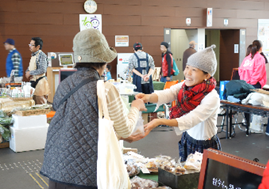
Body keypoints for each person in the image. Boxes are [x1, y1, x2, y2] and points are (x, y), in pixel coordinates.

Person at [40, 29, 146, 189]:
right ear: (104, 62)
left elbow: (80, 124)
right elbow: (126, 130)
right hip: (88, 175)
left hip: (56, 168)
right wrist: (135, 107)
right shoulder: (105, 88)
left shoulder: (65, 85)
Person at [137, 45, 221, 161]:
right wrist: (147, 97)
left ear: (207, 75)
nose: (187, 73)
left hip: (205, 146)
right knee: (184, 175)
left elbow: (191, 119)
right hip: (187, 138)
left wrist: (160, 121)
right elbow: (169, 93)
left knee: (201, 178)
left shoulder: (212, 97)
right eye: (187, 67)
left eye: (194, 70)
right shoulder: (185, 86)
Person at [25, 37, 50, 104]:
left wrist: (30, 73)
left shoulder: (42, 56)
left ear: (38, 46)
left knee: (41, 105)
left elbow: (43, 69)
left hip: (40, 83)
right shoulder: (33, 55)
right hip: (33, 82)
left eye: (32, 45)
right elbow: (29, 68)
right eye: (29, 44)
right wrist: (27, 72)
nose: (30, 46)